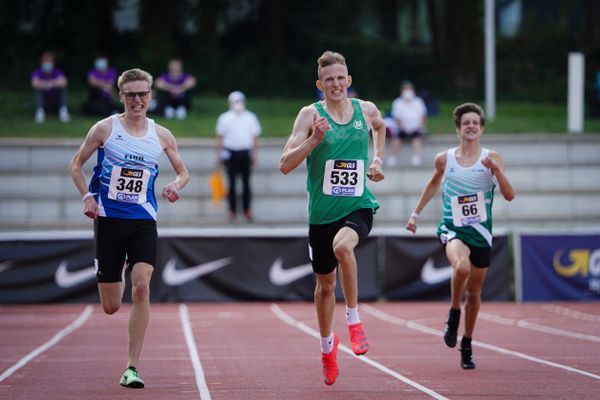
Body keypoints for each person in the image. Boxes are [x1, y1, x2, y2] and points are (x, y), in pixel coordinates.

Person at [68, 68, 190, 388]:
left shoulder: (161, 134)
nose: (137, 100)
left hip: (142, 222)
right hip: (108, 222)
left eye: (142, 94)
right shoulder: (104, 129)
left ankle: (132, 367)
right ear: (120, 96)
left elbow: (183, 172)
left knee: (141, 288)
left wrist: (175, 186)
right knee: (110, 306)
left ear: (151, 96)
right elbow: (76, 165)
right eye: (131, 95)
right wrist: (87, 198)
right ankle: (116, 268)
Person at [279, 50, 385, 385]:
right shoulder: (310, 115)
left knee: (344, 247)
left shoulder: (364, 110)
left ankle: (354, 320)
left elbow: (380, 127)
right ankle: (328, 348)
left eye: (341, 78)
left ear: (349, 80)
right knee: (325, 288)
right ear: (319, 84)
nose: (336, 84)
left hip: (358, 206)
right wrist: (314, 140)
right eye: (329, 80)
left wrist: (378, 159)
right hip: (321, 216)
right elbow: (284, 164)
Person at [405, 103, 515, 370]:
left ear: (482, 128)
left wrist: (496, 171)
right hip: (452, 228)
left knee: (475, 294)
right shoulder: (445, 159)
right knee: (461, 267)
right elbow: (433, 183)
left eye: (475, 122)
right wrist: (415, 214)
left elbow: (510, 195)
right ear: (458, 129)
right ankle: (454, 312)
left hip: (481, 233)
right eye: (466, 122)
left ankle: (467, 343)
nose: (471, 126)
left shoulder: (492, 158)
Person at [215, 91, 261, 222]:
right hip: (230, 154)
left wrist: (255, 154)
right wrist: (218, 156)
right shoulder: (224, 118)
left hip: (245, 153)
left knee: (246, 183)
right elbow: (220, 138)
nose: (237, 104)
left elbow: (255, 137)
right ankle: (232, 211)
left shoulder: (251, 117)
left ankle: (247, 210)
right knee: (231, 184)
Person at [385, 80, 427, 167]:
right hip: (402, 128)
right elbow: (396, 117)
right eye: (405, 88)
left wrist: (419, 126)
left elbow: (423, 116)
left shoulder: (418, 101)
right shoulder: (397, 102)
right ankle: (393, 157)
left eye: (409, 88)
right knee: (397, 137)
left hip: (416, 128)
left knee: (417, 137)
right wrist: (402, 127)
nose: (407, 91)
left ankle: (416, 157)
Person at [31, 51, 70, 123]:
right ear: (41, 62)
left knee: (63, 89)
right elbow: (35, 84)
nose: (47, 63)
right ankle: (40, 113)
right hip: (43, 101)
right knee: (37, 90)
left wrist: (48, 84)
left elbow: (64, 82)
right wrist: (53, 83)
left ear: (53, 62)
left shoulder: (58, 72)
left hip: (55, 101)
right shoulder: (37, 72)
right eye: (46, 61)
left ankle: (63, 112)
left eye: (49, 61)